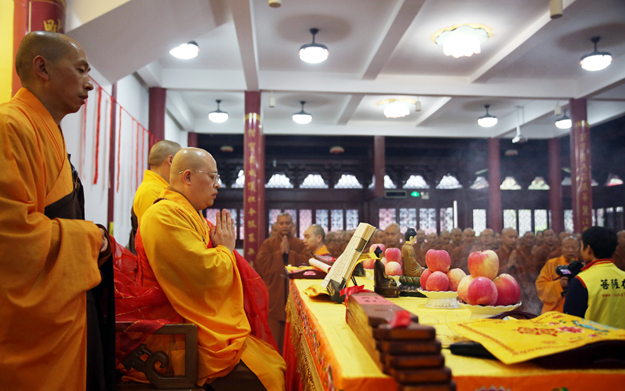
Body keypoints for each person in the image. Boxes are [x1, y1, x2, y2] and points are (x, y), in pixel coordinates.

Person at [0, 31, 113, 390]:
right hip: (31, 327)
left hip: (65, 308)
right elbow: (11, 234)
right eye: (81, 70)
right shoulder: (9, 127)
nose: (89, 84)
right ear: (42, 67)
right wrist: (90, 238)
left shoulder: (44, 129)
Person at [139, 148, 285, 390]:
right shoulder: (162, 215)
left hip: (198, 322)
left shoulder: (189, 213)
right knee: (268, 376)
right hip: (179, 332)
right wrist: (226, 249)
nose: (218, 185)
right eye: (213, 177)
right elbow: (204, 275)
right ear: (187, 177)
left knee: (273, 363)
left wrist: (224, 251)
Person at [256, 213, 311, 353]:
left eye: (287, 223)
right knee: (273, 331)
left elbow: (308, 262)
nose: (285, 226)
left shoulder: (299, 244)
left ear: (292, 225)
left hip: (294, 294)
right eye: (281, 223)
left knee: (293, 335)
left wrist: (290, 254)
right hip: (275, 292)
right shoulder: (268, 244)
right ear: (276, 225)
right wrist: (279, 255)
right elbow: (260, 264)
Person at [564, 227, 625, 329]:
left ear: (588, 249)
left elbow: (570, 322)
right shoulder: (623, 276)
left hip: (595, 342)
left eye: (581, 246)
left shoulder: (581, 281)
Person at [128, 140, 181, 253]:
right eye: (182, 163)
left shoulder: (162, 189)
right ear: (171, 160)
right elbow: (154, 241)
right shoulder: (151, 192)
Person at [535, 236, 580, 314]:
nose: (570, 250)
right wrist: (558, 284)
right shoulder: (552, 264)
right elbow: (540, 286)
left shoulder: (582, 265)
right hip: (553, 312)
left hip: (576, 311)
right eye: (567, 247)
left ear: (579, 248)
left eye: (574, 247)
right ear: (561, 249)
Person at [508, 232, 542, 314]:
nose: (513, 240)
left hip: (523, 290)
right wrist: (508, 265)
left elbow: (531, 272)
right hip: (507, 291)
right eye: (510, 237)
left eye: (515, 237)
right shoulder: (497, 253)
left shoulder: (521, 254)